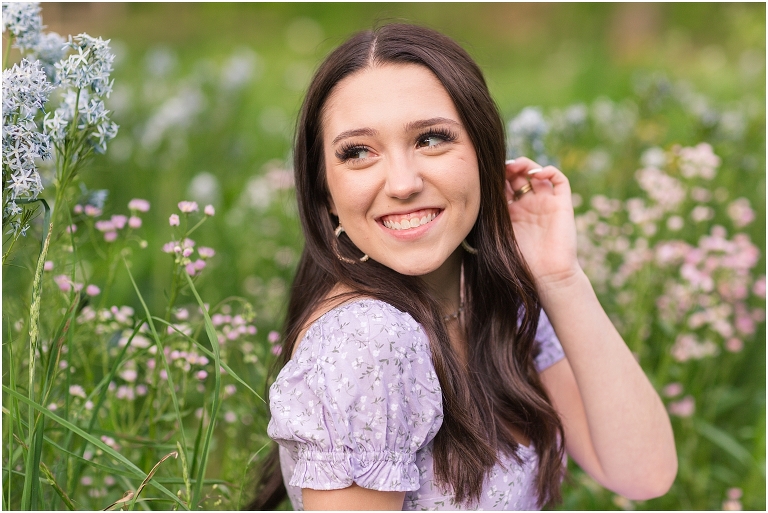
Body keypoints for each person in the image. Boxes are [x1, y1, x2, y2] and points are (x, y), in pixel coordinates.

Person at [248, 23, 677, 511]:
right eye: (359, 152)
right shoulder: (368, 340)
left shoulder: (495, 298)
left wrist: (559, 278)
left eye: (430, 139)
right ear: (325, 191)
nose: (403, 184)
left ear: (483, 153)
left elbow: (642, 473)